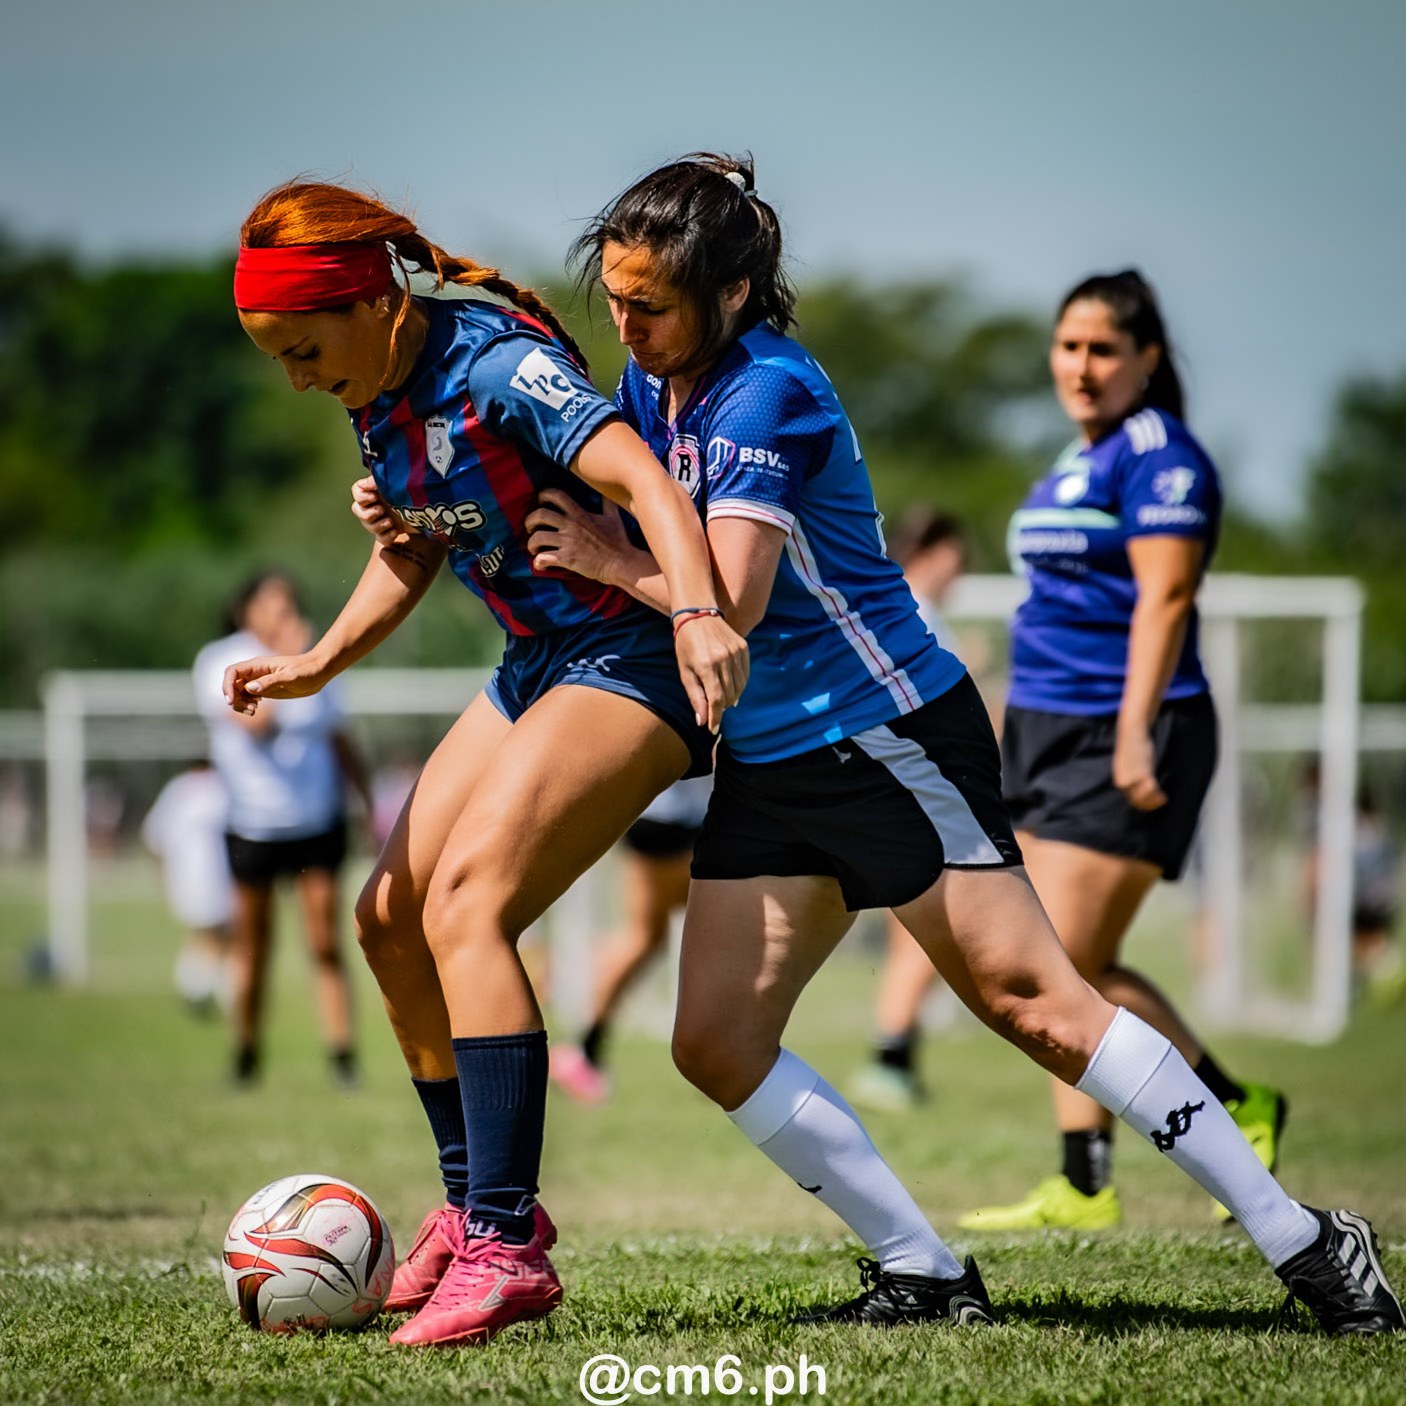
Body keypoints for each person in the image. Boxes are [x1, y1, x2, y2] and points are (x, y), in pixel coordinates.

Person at [525, 155, 1401, 1335]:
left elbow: (724, 596)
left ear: (731, 291)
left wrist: (606, 556)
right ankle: (922, 1267)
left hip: (884, 733)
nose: (624, 326)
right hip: (776, 759)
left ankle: (1307, 1239)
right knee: (716, 1039)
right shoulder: (656, 380)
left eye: (650, 303)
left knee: (1040, 1004)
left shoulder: (765, 388)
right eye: (615, 299)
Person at [229, 179, 748, 1349]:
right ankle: (472, 1211)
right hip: (537, 659)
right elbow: (417, 550)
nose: (298, 378)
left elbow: (648, 485)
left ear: (373, 302)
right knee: (387, 914)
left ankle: (505, 1244)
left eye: (305, 349)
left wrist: (699, 612)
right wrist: (313, 661)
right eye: (280, 359)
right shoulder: (378, 391)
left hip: (627, 652)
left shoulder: (498, 365)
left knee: (471, 904)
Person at [958, 271, 1285, 1232]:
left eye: (1104, 349)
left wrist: (1136, 729)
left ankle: (1201, 1123)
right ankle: (1096, 1176)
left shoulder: (1160, 457)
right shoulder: (1075, 458)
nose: (1082, 367)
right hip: (1049, 731)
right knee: (1056, 958)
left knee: (1061, 958)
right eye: (1069, 346)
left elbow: (1166, 600)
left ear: (1148, 358)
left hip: (1129, 725)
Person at [194, 572, 372, 1086]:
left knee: (325, 941)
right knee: (254, 944)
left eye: (289, 604)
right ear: (246, 611)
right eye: (272, 604)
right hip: (253, 822)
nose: (283, 613)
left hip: (317, 819)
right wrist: (296, 660)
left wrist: (364, 803)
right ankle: (246, 1053)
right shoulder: (220, 660)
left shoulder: (319, 657)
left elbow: (340, 739)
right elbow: (254, 724)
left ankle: (342, 1058)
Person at [847, 509, 968, 1113]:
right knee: (921, 936)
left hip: (897, 794)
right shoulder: (917, 611)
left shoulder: (897, 602)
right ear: (937, 553)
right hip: (914, 796)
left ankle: (898, 1056)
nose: (961, 573)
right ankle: (890, 1057)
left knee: (918, 936)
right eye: (959, 559)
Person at [550, 773, 713, 1104]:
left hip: (650, 814)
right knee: (707, 934)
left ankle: (585, 1051)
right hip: (675, 822)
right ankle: (723, 1055)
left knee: (645, 940)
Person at [140, 757, 233, 1016]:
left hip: (183, 876)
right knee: (221, 936)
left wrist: (162, 874)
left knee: (202, 934)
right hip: (216, 874)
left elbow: (153, 835)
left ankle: (201, 987)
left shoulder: (177, 789)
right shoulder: (221, 787)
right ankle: (200, 989)